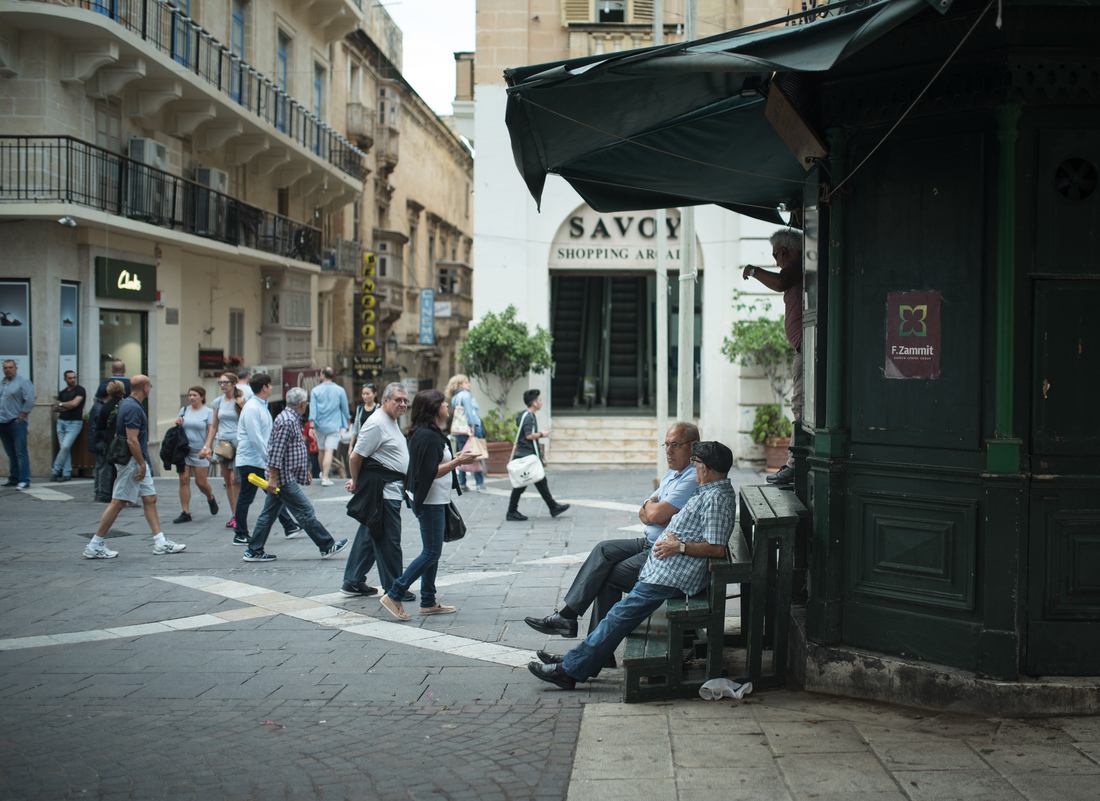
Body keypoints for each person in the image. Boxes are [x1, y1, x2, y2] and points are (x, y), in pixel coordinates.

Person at [527, 441, 736, 689]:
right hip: (665, 570)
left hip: (674, 576)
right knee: (612, 596)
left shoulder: (716, 498)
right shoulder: (709, 490)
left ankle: (569, 670)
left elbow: (717, 548)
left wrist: (677, 546)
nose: (694, 468)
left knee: (619, 615)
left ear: (708, 468)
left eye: (697, 464)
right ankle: (580, 660)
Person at [524, 422, 701, 644]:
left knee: (607, 575)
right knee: (603, 550)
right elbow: (645, 510)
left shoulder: (691, 477)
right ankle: (568, 618)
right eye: (666, 445)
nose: (668, 451)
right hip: (649, 541)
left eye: (675, 445)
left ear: (693, 447)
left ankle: (589, 643)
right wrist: (651, 507)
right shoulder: (673, 474)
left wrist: (652, 509)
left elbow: (655, 515)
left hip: (663, 552)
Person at [378, 390, 478, 621]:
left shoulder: (430, 433)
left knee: (433, 552)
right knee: (431, 552)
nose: (447, 407)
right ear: (434, 408)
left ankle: (428, 600)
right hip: (431, 501)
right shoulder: (427, 436)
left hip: (437, 499)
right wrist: (457, 462)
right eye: (443, 404)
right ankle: (395, 594)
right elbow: (429, 472)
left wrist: (456, 461)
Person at [83, 375, 187, 558]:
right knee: (118, 501)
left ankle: (160, 541)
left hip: (136, 460)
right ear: (145, 387)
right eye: (150, 386)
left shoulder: (129, 404)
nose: (151, 389)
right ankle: (95, 543)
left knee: (150, 498)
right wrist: (140, 463)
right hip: (132, 461)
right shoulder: (132, 407)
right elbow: (132, 440)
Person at [241, 387, 349, 562]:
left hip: (284, 475)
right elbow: (276, 451)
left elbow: (291, 449)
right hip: (283, 478)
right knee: (305, 511)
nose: (306, 405)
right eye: (305, 402)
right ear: (301, 404)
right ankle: (326, 545)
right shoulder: (287, 421)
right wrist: (274, 479)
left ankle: (254, 550)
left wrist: (301, 470)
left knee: (268, 514)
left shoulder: (290, 418)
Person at [743, 228, 803, 487]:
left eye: (776, 256)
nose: (776, 262)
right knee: (800, 406)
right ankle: (797, 463)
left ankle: (795, 464)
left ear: (785, 252)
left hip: (807, 350)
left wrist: (754, 271)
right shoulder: (799, 269)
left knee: (800, 407)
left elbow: (780, 282)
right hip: (803, 348)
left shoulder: (797, 267)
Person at [342, 382, 413, 599]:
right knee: (390, 540)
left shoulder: (391, 420)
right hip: (382, 493)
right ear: (385, 400)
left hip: (389, 489)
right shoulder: (376, 423)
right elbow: (355, 456)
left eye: (405, 400)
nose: (402, 404)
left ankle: (353, 580)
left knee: (368, 536)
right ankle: (394, 588)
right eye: (397, 400)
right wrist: (356, 482)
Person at [233, 372, 300, 545]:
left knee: (273, 494)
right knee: (250, 496)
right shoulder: (252, 408)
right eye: (270, 385)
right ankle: (240, 533)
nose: (271, 388)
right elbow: (255, 437)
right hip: (251, 460)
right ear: (264, 387)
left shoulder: (260, 405)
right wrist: (270, 460)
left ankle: (289, 525)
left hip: (258, 459)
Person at [506, 388, 569, 521]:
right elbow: (529, 435)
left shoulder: (524, 414)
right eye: (539, 400)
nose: (541, 402)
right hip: (526, 454)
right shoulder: (529, 417)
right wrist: (542, 434)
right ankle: (511, 512)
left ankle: (553, 507)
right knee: (520, 485)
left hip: (526, 453)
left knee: (540, 481)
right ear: (534, 403)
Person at [172, 385, 218, 524]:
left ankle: (210, 497)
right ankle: (185, 512)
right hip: (184, 451)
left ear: (202, 397)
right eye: (190, 395)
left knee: (201, 482)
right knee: (183, 480)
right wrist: (177, 422)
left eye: (194, 395)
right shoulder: (184, 410)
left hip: (200, 452)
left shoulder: (208, 412)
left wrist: (207, 447)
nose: (191, 398)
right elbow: (179, 428)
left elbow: (211, 430)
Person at [204, 372, 244, 529]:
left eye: (225, 382)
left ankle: (240, 514)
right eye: (220, 382)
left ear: (234, 383)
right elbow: (214, 425)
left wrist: (242, 405)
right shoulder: (217, 402)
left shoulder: (240, 400)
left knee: (236, 480)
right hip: (223, 443)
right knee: (227, 481)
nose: (222, 385)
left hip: (238, 442)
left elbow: (246, 420)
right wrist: (208, 445)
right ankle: (234, 514)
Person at [91, 361, 130, 501]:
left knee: (103, 467)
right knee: (119, 468)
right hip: (120, 440)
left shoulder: (103, 406)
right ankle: (115, 494)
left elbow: (98, 426)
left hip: (105, 440)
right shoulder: (126, 403)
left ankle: (101, 493)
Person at [308, 367, 349, 486]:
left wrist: (312, 425)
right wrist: (348, 420)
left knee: (321, 450)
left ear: (322, 375)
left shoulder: (315, 390)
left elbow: (313, 409)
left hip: (319, 425)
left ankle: (322, 473)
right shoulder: (340, 390)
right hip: (334, 425)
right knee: (329, 450)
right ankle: (325, 477)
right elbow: (345, 408)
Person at [445, 373, 485, 492]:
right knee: (476, 454)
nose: (469, 384)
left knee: (462, 455)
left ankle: (462, 482)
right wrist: (472, 427)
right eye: (466, 382)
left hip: (459, 430)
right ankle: (480, 483)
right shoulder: (466, 395)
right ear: (460, 384)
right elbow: (469, 412)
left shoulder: (454, 398)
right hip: (471, 428)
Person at [0, 359, 35, 489]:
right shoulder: (3, 383)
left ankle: (24, 480)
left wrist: (23, 414)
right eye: (5, 368)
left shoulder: (23, 381)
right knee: (10, 453)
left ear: (16, 368)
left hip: (16, 422)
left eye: (10, 367)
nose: (7, 369)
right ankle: (14, 478)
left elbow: (30, 399)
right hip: (2, 422)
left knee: (21, 452)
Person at [51, 370, 87, 481]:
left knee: (65, 446)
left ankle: (55, 470)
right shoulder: (62, 392)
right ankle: (66, 473)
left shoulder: (80, 390)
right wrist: (64, 406)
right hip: (61, 422)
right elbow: (55, 408)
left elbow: (74, 404)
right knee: (64, 448)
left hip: (75, 423)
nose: (72, 380)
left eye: (74, 377)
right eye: (70, 378)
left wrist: (62, 404)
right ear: (65, 379)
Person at [347, 383, 378, 453]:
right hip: (361, 444)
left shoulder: (379, 409)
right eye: (363, 394)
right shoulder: (359, 409)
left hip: (374, 446)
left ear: (375, 394)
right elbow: (355, 428)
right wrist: (351, 445)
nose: (365, 396)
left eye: (368, 394)